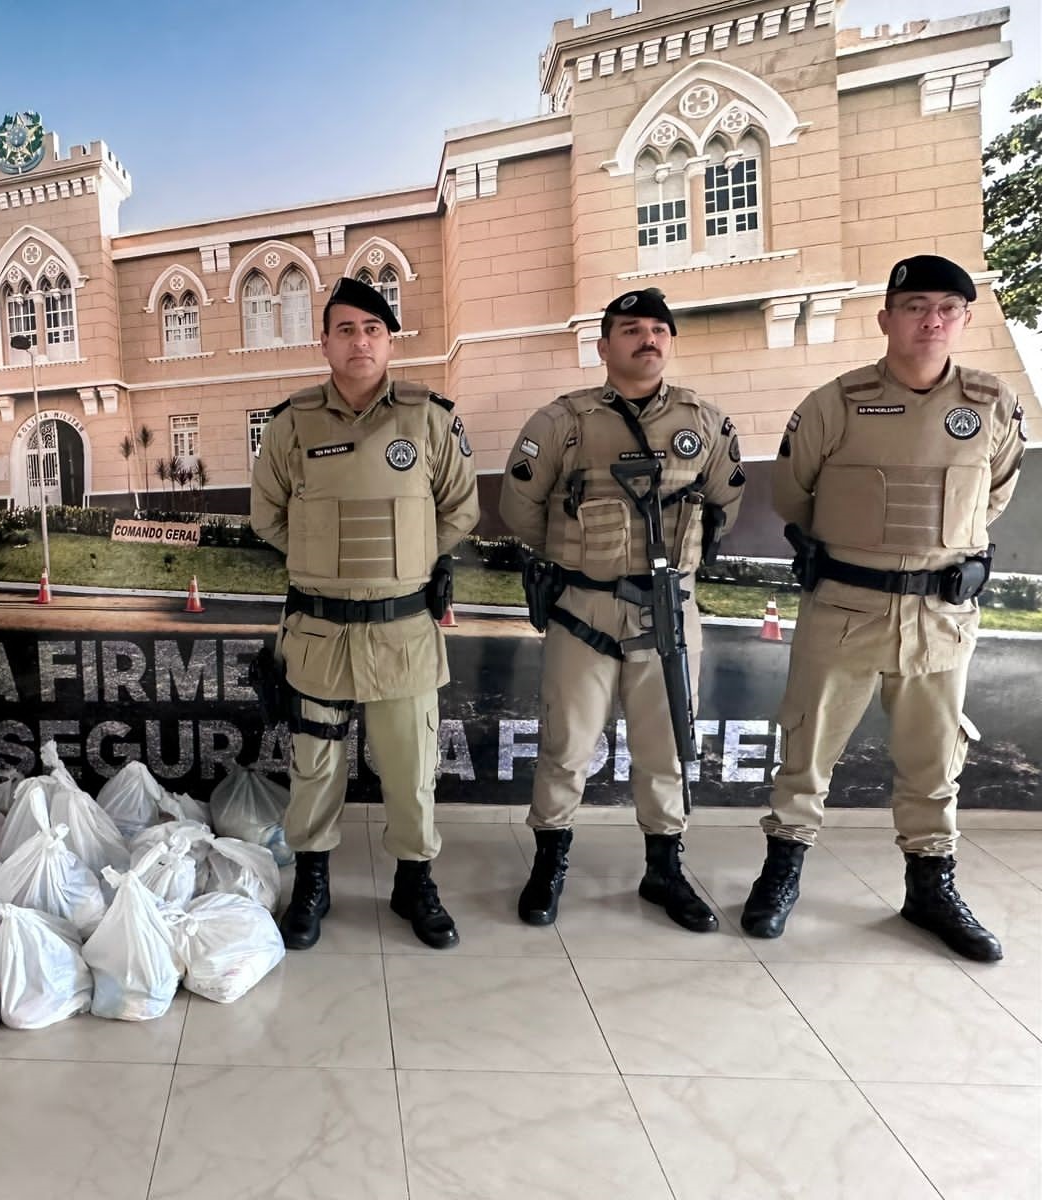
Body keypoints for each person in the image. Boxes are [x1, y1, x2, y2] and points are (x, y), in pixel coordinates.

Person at [741, 255, 1025, 961]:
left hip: (940, 617)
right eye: (916, 306)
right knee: (806, 751)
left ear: (964, 318)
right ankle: (782, 874)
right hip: (845, 607)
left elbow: (994, 495)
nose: (932, 320)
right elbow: (793, 496)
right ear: (887, 317)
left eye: (948, 309)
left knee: (934, 762)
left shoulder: (991, 404)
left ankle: (930, 887)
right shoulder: (835, 403)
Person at [499, 288, 744, 932]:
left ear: (670, 342)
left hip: (668, 613)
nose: (647, 339)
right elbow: (522, 507)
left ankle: (664, 867)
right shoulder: (564, 422)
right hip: (583, 608)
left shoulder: (706, 423)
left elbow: (725, 506)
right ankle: (550, 862)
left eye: (659, 329)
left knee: (665, 749)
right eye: (630, 329)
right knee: (565, 744)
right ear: (603, 346)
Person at [251, 275, 479, 950]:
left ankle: (415, 880)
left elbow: (461, 506)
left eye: (373, 330)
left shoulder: (428, 417)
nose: (360, 341)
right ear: (324, 341)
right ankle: (313, 881)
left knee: (411, 769)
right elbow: (266, 513)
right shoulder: (291, 423)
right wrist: (329, 558)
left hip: (404, 629)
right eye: (346, 329)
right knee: (314, 770)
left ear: (390, 342)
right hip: (319, 631)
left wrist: (406, 560)